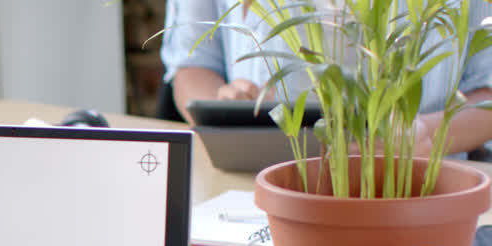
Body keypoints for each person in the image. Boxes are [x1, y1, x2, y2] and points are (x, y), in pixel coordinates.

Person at [161, 0, 492, 155]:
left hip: (422, 185)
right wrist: (224, 108)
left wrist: (422, 136)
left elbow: (487, 91)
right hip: (254, 185)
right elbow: (193, 64)